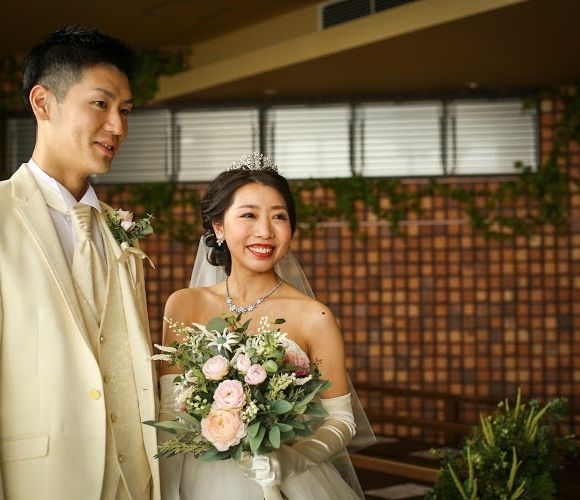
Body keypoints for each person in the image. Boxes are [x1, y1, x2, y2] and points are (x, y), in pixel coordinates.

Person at [0, 26, 160, 499]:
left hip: (136, 481)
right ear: (42, 103)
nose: (118, 126)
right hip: (41, 482)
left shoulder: (120, 230)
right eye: (100, 104)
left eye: (125, 110)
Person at [159, 153, 366, 499]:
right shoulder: (183, 304)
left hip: (288, 481)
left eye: (279, 217)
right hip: (196, 479)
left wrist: (292, 460)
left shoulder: (314, 317)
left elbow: (341, 421)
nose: (265, 231)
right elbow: (169, 412)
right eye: (249, 215)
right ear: (218, 227)